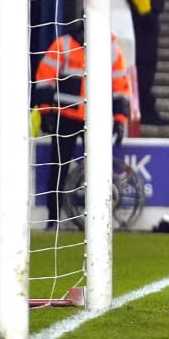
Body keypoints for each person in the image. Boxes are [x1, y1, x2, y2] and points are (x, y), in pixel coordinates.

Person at [34, 24, 131, 229]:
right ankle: (53, 218)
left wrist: (121, 119)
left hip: (93, 117)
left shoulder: (111, 48)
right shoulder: (64, 44)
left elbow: (120, 86)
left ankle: (96, 218)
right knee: (59, 168)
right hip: (67, 115)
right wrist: (45, 111)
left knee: (95, 171)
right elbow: (45, 77)